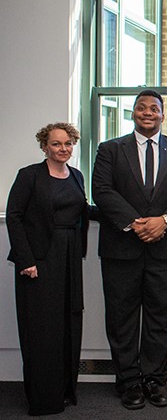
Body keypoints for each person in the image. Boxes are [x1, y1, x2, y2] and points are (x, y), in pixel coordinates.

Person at [92, 90, 167, 410]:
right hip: (121, 248)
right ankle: (128, 381)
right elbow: (102, 190)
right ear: (133, 113)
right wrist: (135, 223)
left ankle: (153, 379)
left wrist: (164, 221)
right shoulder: (110, 149)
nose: (148, 112)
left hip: (166, 250)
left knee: (160, 317)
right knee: (121, 318)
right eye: (141, 108)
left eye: (154, 108)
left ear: (163, 115)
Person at [7, 123, 96, 416]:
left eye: (68, 143)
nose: (63, 149)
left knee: (69, 323)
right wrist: (26, 260)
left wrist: (128, 217)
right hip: (40, 260)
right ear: (44, 146)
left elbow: (83, 211)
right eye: (56, 144)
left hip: (70, 257)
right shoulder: (29, 176)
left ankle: (65, 391)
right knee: (42, 329)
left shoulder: (77, 176)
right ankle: (44, 399)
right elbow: (15, 217)